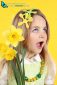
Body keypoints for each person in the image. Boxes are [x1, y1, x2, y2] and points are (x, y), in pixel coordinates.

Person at [0, 9, 56, 85]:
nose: (42, 35)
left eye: (44, 29)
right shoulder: (8, 66)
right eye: (35, 29)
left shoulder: (47, 65)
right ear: (22, 34)